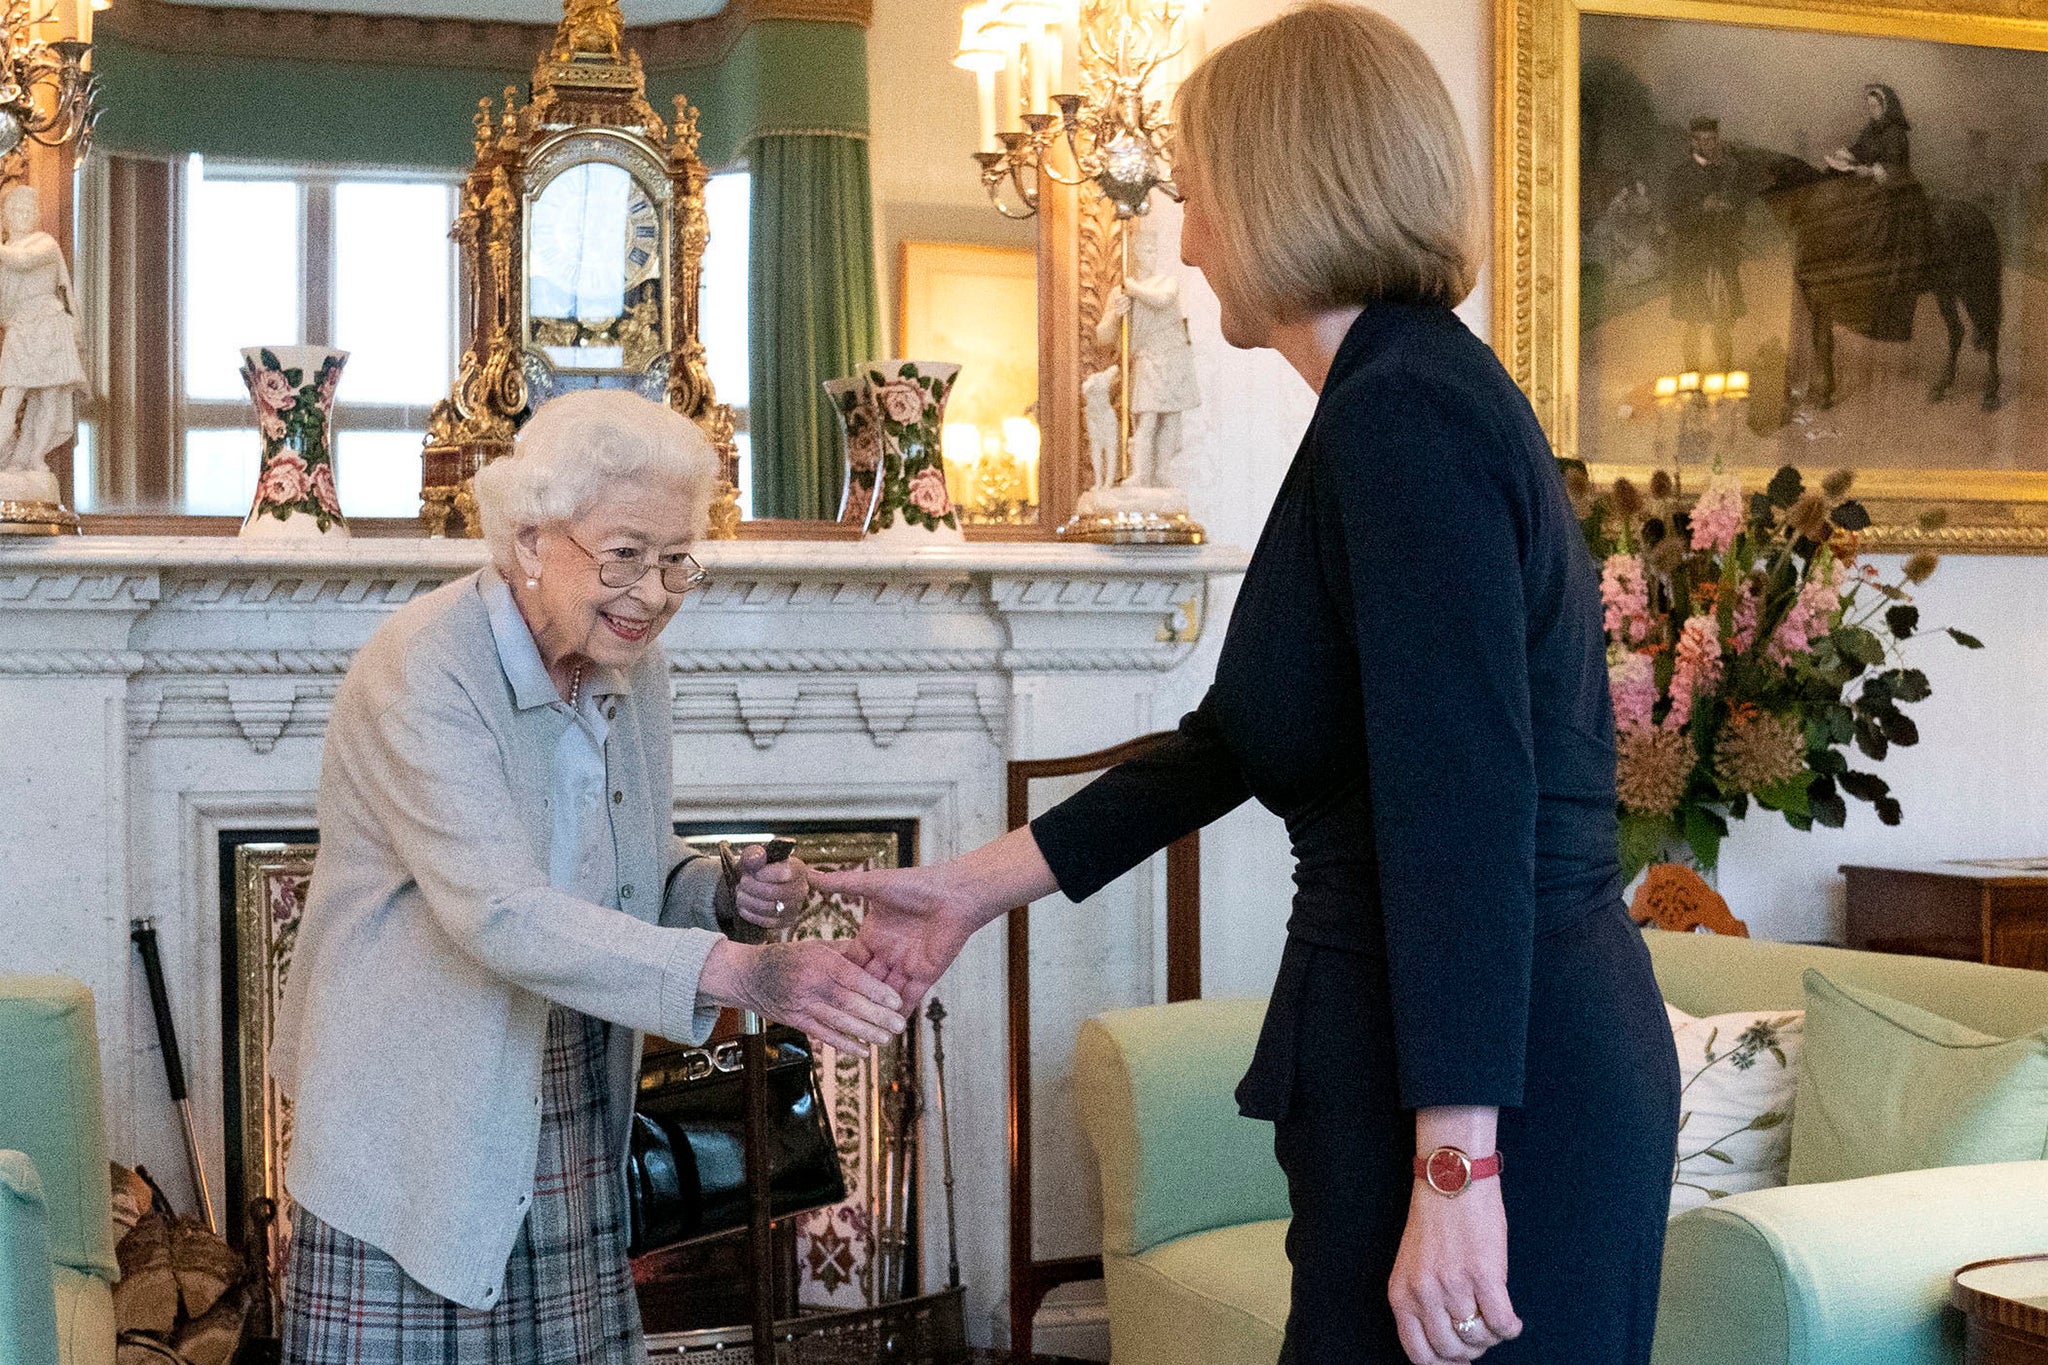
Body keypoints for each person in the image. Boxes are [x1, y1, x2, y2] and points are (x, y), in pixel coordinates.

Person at [816, 7, 1679, 1363]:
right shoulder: (1386, 401)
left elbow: (1463, 805)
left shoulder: (1405, 413)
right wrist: (974, 886)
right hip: (1416, 1064)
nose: (1192, 231)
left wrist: (1457, 1170)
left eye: (1200, 187)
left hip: (1491, 1092)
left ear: (1286, 184)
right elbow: (1239, 740)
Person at [270, 389, 907, 1364]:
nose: (650, 593)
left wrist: (723, 894)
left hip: (565, 1088)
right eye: (623, 555)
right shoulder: (422, 667)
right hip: (416, 1116)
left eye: (675, 561)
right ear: (529, 539)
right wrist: (741, 975)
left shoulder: (627, 665)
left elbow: (629, 873)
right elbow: (499, 911)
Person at [1823, 82, 1930, 342]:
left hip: (1897, 193)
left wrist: (1869, 171)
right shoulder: (1871, 129)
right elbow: (1859, 149)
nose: (1871, 111)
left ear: (1886, 107)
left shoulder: (1896, 133)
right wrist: (1844, 156)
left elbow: (1897, 167)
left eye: (1875, 107)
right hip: (1873, 186)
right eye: (1868, 107)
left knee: (1876, 228)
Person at [0, 184, 87, 486]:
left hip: (49, 326)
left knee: (50, 397)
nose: (22, 216)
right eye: (15, 211)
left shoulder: (44, 243)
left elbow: (22, 261)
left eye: (27, 211)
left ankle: (35, 456)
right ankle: (5, 456)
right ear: (6, 217)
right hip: (21, 329)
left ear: (35, 216)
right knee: (11, 395)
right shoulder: (6, 253)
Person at [1663, 117, 1747, 373]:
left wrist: (1730, 212)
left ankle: (1725, 376)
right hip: (1692, 260)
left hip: (1721, 257)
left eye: (1711, 139)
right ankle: (1692, 380)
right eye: (1700, 139)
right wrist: (1702, 208)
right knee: (1694, 322)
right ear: (1692, 142)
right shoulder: (1679, 175)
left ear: (1717, 139)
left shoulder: (1729, 172)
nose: (1707, 144)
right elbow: (1673, 218)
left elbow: (1741, 216)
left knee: (1724, 321)